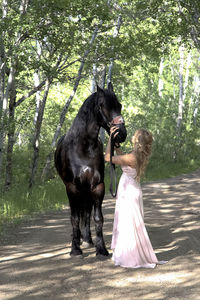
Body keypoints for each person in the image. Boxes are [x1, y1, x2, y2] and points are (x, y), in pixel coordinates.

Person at [105, 127, 167, 269]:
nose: (132, 136)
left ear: (137, 140)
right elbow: (123, 160)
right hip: (131, 190)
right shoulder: (136, 155)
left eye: (134, 135)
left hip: (129, 193)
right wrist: (117, 147)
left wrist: (109, 140)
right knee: (129, 223)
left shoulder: (132, 157)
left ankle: (130, 256)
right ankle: (130, 253)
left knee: (128, 223)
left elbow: (108, 158)